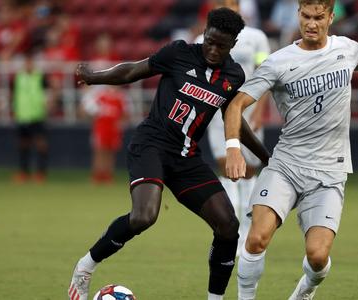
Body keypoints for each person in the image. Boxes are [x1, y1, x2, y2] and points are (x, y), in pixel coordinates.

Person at [223, 1, 358, 299]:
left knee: (318, 257)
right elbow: (236, 104)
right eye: (306, 16)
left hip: (330, 171)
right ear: (298, 15)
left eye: (319, 17)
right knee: (256, 238)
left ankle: (303, 293)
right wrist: (233, 149)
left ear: (331, 17)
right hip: (287, 165)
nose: (311, 23)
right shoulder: (278, 61)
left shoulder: (347, 49)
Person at [67, 8, 269, 300]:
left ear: (233, 44)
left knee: (228, 226)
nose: (213, 49)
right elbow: (133, 70)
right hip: (151, 144)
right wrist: (94, 77)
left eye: (221, 45)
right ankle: (85, 268)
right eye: (209, 41)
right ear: (205, 32)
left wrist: (266, 157)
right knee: (144, 216)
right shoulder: (179, 53)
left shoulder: (233, 75)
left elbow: (234, 120)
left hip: (186, 157)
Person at [195, 0, 271, 255]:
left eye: (232, 2)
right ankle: (232, 232)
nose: (229, 5)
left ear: (239, 6)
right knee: (226, 169)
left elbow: (264, 73)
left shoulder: (256, 37)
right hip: (217, 112)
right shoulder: (202, 38)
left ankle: (249, 231)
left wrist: (260, 110)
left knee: (249, 172)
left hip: (247, 110)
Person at [12, 52, 51, 183]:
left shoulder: (40, 76)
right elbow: (14, 94)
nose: (28, 65)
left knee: (40, 144)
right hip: (22, 115)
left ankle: (41, 172)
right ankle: (24, 172)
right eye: (26, 62)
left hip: (37, 114)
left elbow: (50, 91)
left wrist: (49, 103)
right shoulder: (18, 77)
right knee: (23, 144)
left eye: (30, 62)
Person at [80, 85, 128, 184]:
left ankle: (108, 176)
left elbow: (125, 114)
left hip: (113, 129)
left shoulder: (120, 98)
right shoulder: (101, 96)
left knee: (110, 153)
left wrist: (120, 124)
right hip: (100, 128)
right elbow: (89, 110)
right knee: (99, 151)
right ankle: (97, 175)